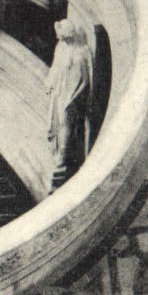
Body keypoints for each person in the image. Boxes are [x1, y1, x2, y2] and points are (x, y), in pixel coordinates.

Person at [45, 18, 94, 188]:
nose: (59, 38)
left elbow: (86, 82)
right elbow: (55, 67)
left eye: (62, 35)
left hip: (70, 97)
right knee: (58, 123)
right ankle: (59, 153)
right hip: (59, 92)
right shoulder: (61, 48)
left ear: (69, 35)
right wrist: (49, 82)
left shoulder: (81, 55)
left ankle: (62, 159)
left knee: (66, 125)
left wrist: (73, 99)